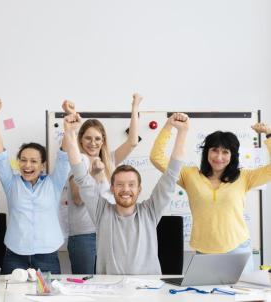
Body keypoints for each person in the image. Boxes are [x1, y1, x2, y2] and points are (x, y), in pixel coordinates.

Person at [67, 112, 188, 274]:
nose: (125, 189)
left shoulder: (150, 211)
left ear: (139, 189)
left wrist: (182, 132)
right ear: (111, 188)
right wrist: (69, 132)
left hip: (148, 291)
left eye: (131, 185)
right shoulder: (102, 212)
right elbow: (81, 176)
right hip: (111, 291)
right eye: (120, 185)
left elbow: (172, 173)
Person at [150, 120, 271, 272]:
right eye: (215, 150)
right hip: (204, 252)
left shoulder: (244, 177)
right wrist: (169, 125)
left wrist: (269, 134)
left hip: (238, 249)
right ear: (207, 151)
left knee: (243, 295)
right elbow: (156, 157)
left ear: (232, 155)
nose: (219, 157)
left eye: (225, 152)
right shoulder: (189, 175)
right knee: (206, 296)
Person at [0, 98, 71, 274]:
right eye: (23, 160)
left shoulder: (53, 183)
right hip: (15, 254)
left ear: (43, 165)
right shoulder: (12, 183)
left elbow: (64, 155)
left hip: (47, 254)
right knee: (12, 297)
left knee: (49, 296)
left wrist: (69, 122)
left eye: (34, 161)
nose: (27, 165)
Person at [62, 94, 142, 274]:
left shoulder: (109, 160)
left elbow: (132, 142)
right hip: (84, 235)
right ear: (80, 140)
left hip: (110, 231)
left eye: (98, 138)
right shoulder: (77, 161)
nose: (93, 143)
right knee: (87, 288)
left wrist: (135, 107)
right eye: (88, 138)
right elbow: (77, 199)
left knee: (110, 286)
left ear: (103, 140)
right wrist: (92, 174)